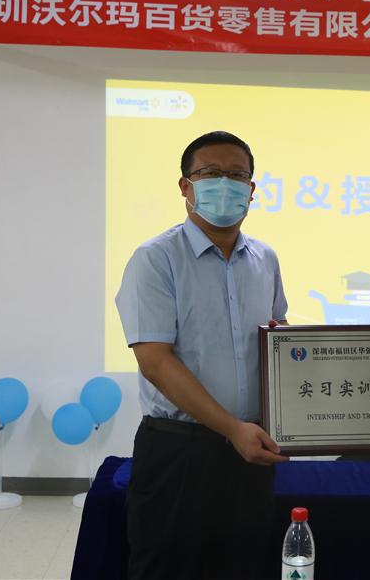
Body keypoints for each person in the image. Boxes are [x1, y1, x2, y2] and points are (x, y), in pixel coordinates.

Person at [115, 131, 289, 580]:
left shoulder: (265, 259)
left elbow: (280, 341)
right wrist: (231, 428)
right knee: (167, 569)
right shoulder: (155, 259)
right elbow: (155, 360)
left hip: (250, 449)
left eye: (237, 175)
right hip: (179, 451)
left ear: (252, 189)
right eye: (211, 173)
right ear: (185, 186)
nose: (225, 184)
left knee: (242, 566)